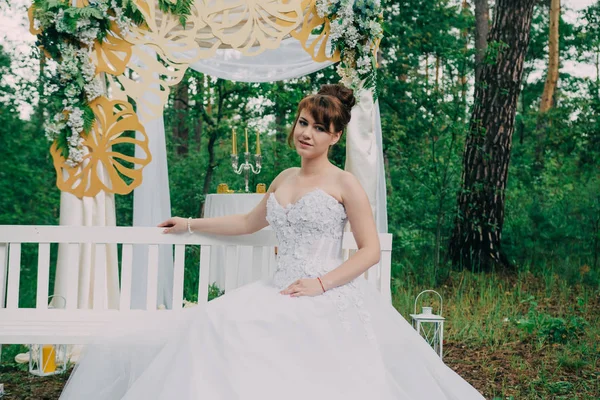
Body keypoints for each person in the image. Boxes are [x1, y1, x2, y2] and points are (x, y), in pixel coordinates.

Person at [59, 84, 485, 399]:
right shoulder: (283, 178)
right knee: (216, 322)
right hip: (279, 286)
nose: (308, 134)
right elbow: (247, 223)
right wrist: (190, 223)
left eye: (320, 129)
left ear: (335, 137)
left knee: (272, 334)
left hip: (325, 290)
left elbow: (370, 251)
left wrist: (320, 284)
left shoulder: (345, 183)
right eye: (303, 123)